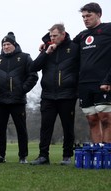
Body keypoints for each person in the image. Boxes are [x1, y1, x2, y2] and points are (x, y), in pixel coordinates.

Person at [0, 32, 38, 164]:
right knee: (0, 129)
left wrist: (23, 89)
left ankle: (23, 156)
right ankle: (1, 156)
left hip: (17, 100)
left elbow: (33, 75)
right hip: (0, 100)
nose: (6, 47)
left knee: (21, 128)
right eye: (4, 45)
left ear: (14, 45)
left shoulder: (25, 57)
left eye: (8, 44)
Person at [30, 24, 79, 166]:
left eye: (55, 36)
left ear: (63, 34)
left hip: (67, 94)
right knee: (45, 127)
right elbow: (33, 67)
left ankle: (67, 156)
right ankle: (43, 156)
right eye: (51, 36)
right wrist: (46, 53)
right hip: (48, 95)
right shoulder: (46, 48)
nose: (52, 38)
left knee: (67, 127)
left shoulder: (74, 48)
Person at [73, 2, 111, 143]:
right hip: (84, 84)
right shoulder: (82, 36)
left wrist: (109, 79)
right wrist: (47, 43)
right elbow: (66, 45)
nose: (85, 19)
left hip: (103, 82)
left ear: (99, 14)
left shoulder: (108, 28)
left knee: (106, 118)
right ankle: (97, 153)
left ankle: (107, 155)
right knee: (92, 120)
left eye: (89, 15)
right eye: (83, 17)